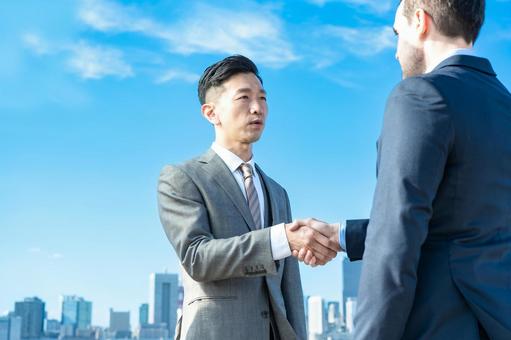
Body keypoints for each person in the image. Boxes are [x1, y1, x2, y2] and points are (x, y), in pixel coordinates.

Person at [293, 0, 511, 339]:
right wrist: (340, 235)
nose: (395, 51)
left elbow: (396, 237)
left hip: (439, 325)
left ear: (421, 22)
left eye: (397, 33)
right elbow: (463, 225)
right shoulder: (504, 105)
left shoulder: (421, 96)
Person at [157, 55, 339, 340]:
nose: (258, 108)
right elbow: (197, 258)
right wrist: (281, 240)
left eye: (263, 98)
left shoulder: (277, 192)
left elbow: (290, 286)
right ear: (211, 113)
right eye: (244, 98)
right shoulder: (183, 177)